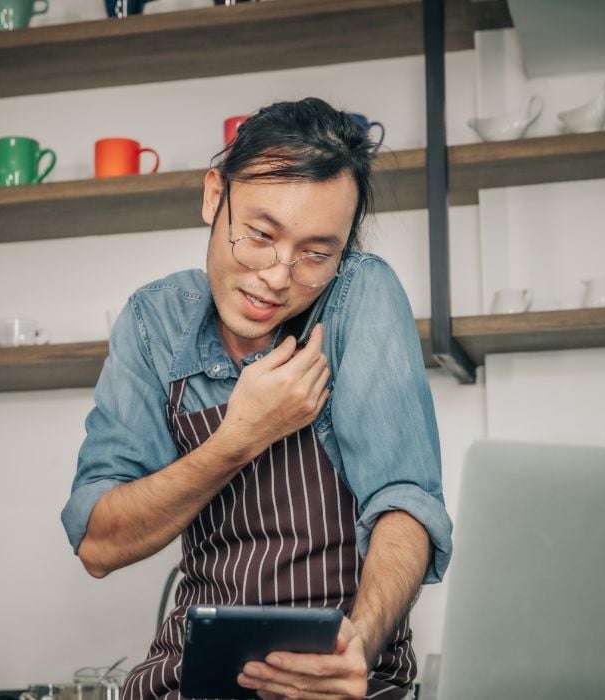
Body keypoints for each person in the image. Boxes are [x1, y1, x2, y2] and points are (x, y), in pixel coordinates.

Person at [62, 97, 452, 700]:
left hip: (346, 680)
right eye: (260, 236)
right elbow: (97, 542)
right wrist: (240, 436)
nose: (278, 274)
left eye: (316, 254)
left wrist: (360, 644)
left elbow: (405, 502)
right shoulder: (153, 322)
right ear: (214, 196)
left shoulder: (361, 296)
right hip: (189, 681)